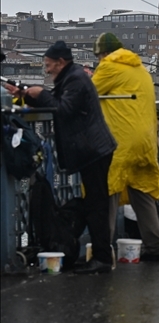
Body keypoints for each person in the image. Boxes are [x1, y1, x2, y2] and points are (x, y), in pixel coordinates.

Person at [6, 41, 117, 274]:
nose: (46, 70)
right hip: (93, 150)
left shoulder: (75, 79)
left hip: (93, 150)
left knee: (97, 205)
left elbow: (64, 108)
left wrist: (42, 94)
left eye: (48, 65)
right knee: (96, 203)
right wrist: (27, 94)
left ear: (60, 62)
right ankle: (99, 255)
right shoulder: (72, 76)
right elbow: (59, 102)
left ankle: (102, 258)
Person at [91, 33, 159, 262]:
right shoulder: (141, 70)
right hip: (145, 141)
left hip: (120, 141)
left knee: (108, 192)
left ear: (105, 54)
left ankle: (103, 252)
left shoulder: (109, 67)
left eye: (99, 56)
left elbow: (85, 94)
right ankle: (155, 247)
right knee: (142, 192)